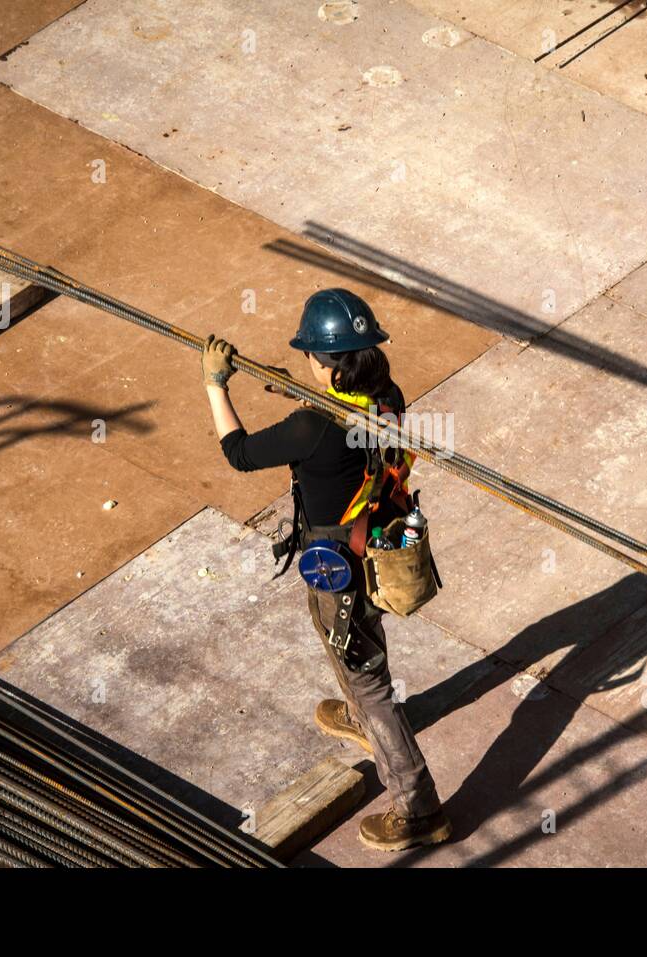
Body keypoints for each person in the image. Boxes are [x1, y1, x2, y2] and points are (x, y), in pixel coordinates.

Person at [200, 288, 451, 852]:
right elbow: (336, 429)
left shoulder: (311, 428)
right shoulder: (386, 397)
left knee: (370, 683)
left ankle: (420, 807)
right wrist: (304, 395)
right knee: (355, 652)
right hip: (376, 548)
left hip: (338, 571)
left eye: (312, 355)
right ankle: (365, 724)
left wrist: (215, 384)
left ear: (329, 365)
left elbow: (238, 452)